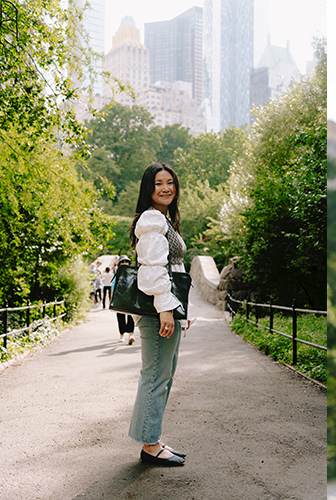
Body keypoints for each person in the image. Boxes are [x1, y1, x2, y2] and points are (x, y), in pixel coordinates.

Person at [128, 163, 192, 467]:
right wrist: (166, 309)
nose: (165, 188)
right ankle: (150, 446)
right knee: (155, 377)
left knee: (161, 375)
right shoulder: (152, 218)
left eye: (170, 183)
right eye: (158, 183)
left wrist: (178, 311)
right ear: (148, 189)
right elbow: (152, 268)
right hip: (158, 312)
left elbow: (173, 270)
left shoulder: (163, 218)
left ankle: (152, 439)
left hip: (165, 309)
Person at [114, 255, 136, 345]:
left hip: (130, 297)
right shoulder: (117, 273)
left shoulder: (132, 272)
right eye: (122, 262)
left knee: (131, 317)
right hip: (120, 297)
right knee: (120, 317)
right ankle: (122, 335)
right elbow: (113, 286)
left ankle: (131, 335)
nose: (125, 263)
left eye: (126, 261)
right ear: (119, 263)